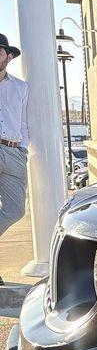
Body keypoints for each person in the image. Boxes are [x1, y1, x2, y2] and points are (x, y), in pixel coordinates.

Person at [0, 33, 29, 285]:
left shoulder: (21, 87)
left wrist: (23, 149)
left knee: (15, 210)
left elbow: (23, 123)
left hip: (13, 151)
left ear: (8, 56)